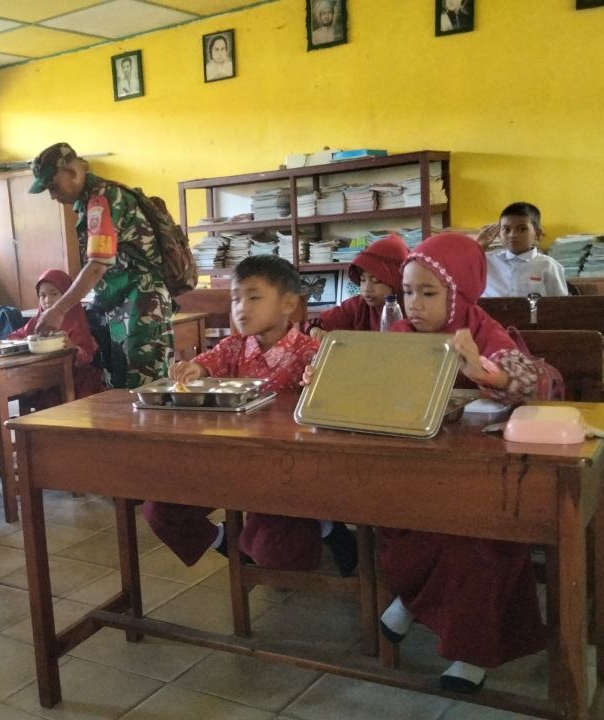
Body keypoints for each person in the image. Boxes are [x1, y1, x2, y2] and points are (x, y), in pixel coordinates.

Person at [376, 232, 545, 694]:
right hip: (418, 467)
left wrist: (483, 371)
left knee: (479, 541)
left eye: (429, 293)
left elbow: (528, 381)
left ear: (461, 293)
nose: (414, 304)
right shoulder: (400, 335)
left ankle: (469, 652)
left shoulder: (481, 331)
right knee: (400, 521)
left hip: (480, 472)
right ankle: (413, 599)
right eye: (407, 292)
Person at [142, 256, 358, 576]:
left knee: (275, 553)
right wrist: (193, 369)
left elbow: (334, 402)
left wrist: (321, 381)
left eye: (254, 297)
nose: (241, 307)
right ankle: (222, 540)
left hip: (286, 473)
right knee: (161, 510)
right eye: (235, 298)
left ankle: (325, 526)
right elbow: (208, 361)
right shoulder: (234, 347)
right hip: (230, 461)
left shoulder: (310, 353)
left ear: (288, 304)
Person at [29, 142, 172, 390]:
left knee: (147, 388)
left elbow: (97, 265)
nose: (52, 195)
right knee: (117, 386)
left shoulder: (103, 199)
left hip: (141, 304)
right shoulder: (89, 202)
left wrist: (59, 309)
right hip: (119, 304)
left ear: (72, 172)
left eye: (53, 186)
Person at [8, 269, 106, 401]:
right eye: (42, 295)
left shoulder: (76, 321)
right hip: (43, 378)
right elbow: (13, 337)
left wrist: (72, 348)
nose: (47, 300)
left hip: (75, 382)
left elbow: (87, 356)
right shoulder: (39, 321)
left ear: (67, 295)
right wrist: (27, 341)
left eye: (54, 294)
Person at [306, 233, 409, 336]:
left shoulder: (411, 310)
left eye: (376, 281)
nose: (366, 289)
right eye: (362, 280)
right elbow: (315, 322)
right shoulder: (358, 306)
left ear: (397, 281)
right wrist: (315, 330)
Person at [477, 202, 568, 298]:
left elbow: (560, 304)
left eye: (522, 229)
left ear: (537, 233)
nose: (512, 235)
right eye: (506, 229)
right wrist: (478, 245)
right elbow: (465, 280)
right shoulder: (486, 261)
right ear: (499, 234)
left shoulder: (548, 266)